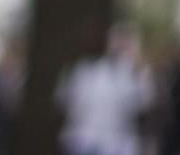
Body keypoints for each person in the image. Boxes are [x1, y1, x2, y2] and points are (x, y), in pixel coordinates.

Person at [57, 27, 153, 155]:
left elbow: (142, 104)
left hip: (115, 144)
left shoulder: (132, 72)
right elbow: (64, 101)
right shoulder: (84, 70)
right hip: (83, 141)